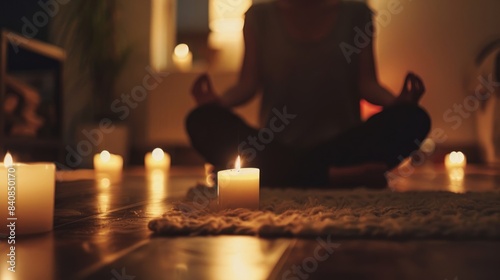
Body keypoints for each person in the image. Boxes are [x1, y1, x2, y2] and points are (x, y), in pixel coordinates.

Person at [186, 0, 431, 188]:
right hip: (277, 146)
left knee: (414, 119)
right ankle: (335, 176)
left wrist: (399, 104)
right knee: (201, 120)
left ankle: (286, 176)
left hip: (342, 147)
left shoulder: (357, 14)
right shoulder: (259, 16)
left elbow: (367, 84)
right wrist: (215, 104)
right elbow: (247, 84)